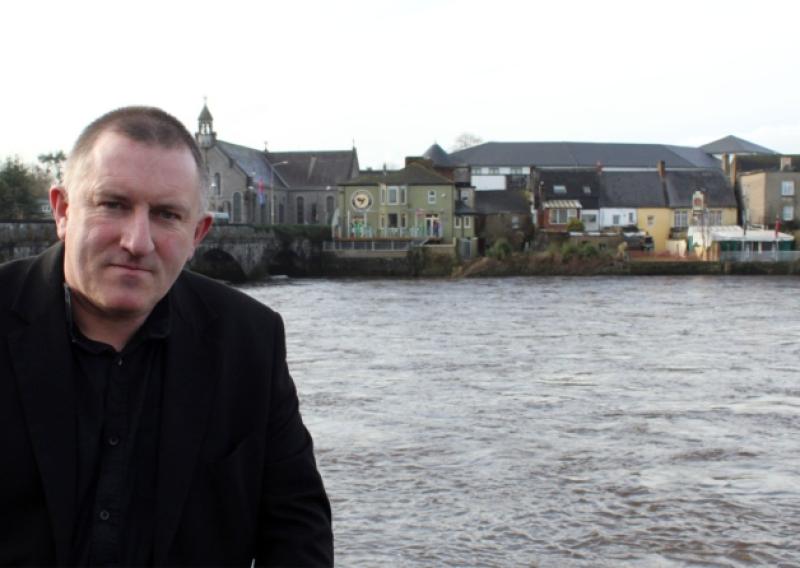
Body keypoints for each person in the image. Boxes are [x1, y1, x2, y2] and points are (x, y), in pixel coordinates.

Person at [0, 107, 333, 566]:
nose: (138, 241)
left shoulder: (250, 340)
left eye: (166, 214)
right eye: (113, 204)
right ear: (62, 210)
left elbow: (296, 530)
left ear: (198, 233)